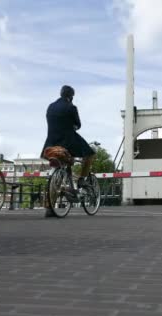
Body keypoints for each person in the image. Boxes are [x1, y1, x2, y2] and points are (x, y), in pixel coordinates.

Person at [41, 85, 96, 218]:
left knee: (58, 172)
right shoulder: (71, 107)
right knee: (90, 154)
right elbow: (78, 125)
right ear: (71, 96)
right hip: (68, 140)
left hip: (51, 142)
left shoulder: (50, 106)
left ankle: (49, 208)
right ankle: (82, 179)